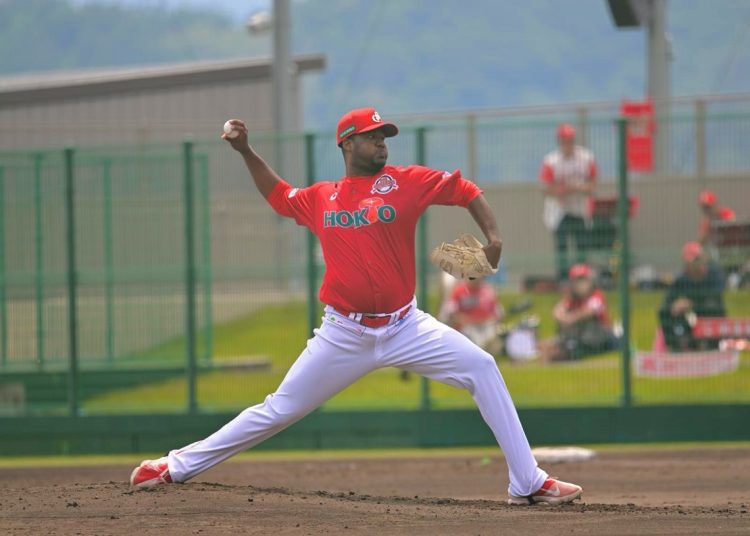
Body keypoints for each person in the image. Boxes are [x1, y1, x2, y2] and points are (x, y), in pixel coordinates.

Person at [128, 108, 582, 505]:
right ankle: (175, 466)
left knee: (482, 367)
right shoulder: (322, 197)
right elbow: (279, 195)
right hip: (343, 333)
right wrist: (246, 152)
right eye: (372, 135)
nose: (381, 141)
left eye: (384, 135)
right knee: (279, 409)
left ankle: (528, 482)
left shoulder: (405, 182)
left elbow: (464, 190)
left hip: (407, 326)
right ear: (347, 143)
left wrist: (495, 239)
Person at [539, 123, 598, 281]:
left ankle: (582, 277)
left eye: (570, 140)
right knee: (562, 245)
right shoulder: (551, 161)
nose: (568, 144)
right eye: (565, 140)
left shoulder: (586, 157)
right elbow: (546, 187)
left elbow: (592, 184)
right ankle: (564, 279)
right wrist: (564, 190)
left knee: (582, 244)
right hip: (559, 210)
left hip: (579, 208)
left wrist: (579, 188)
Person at [538, 263, 617, 362]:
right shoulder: (572, 298)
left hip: (601, 337)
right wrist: (566, 317)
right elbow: (556, 312)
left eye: (582, 279)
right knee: (545, 345)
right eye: (576, 280)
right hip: (579, 337)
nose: (580, 284)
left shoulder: (597, 295)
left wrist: (568, 318)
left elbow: (587, 313)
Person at [659, 241, 726, 352]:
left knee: (712, 306)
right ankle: (674, 346)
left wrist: (691, 302)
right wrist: (675, 304)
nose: (694, 264)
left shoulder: (714, 273)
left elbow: (716, 294)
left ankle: (711, 343)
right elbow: (669, 299)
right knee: (664, 311)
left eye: (697, 260)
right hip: (688, 314)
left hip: (710, 311)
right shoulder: (682, 278)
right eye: (691, 262)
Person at [442, 277, 504, 354]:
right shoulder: (459, 290)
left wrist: (488, 321)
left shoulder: (489, 290)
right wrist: (464, 320)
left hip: (485, 326)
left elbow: (498, 314)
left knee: (492, 338)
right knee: (474, 340)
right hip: (466, 327)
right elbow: (450, 314)